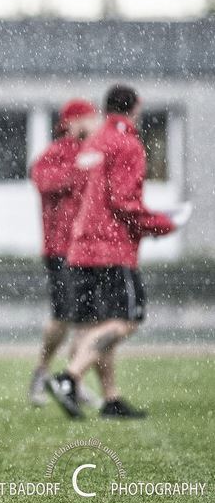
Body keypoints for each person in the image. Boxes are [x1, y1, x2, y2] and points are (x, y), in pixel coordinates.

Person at [47, 85, 182, 420]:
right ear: (135, 108)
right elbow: (124, 202)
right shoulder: (127, 144)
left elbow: (77, 193)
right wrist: (163, 223)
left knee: (95, 323)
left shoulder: (93, 142)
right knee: (125, 322)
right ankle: (69, 378)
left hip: (81, 247)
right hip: (111, 248)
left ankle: (110, 399)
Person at [27, 99, 103, 408]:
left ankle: (73, 380)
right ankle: (42, 372)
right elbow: (43, 181)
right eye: (86, 117)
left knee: (88, 319)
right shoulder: (57, 153)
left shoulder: (97, 150)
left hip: (90, 248)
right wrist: (78, 169)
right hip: (62, 249)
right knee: (62, 316)